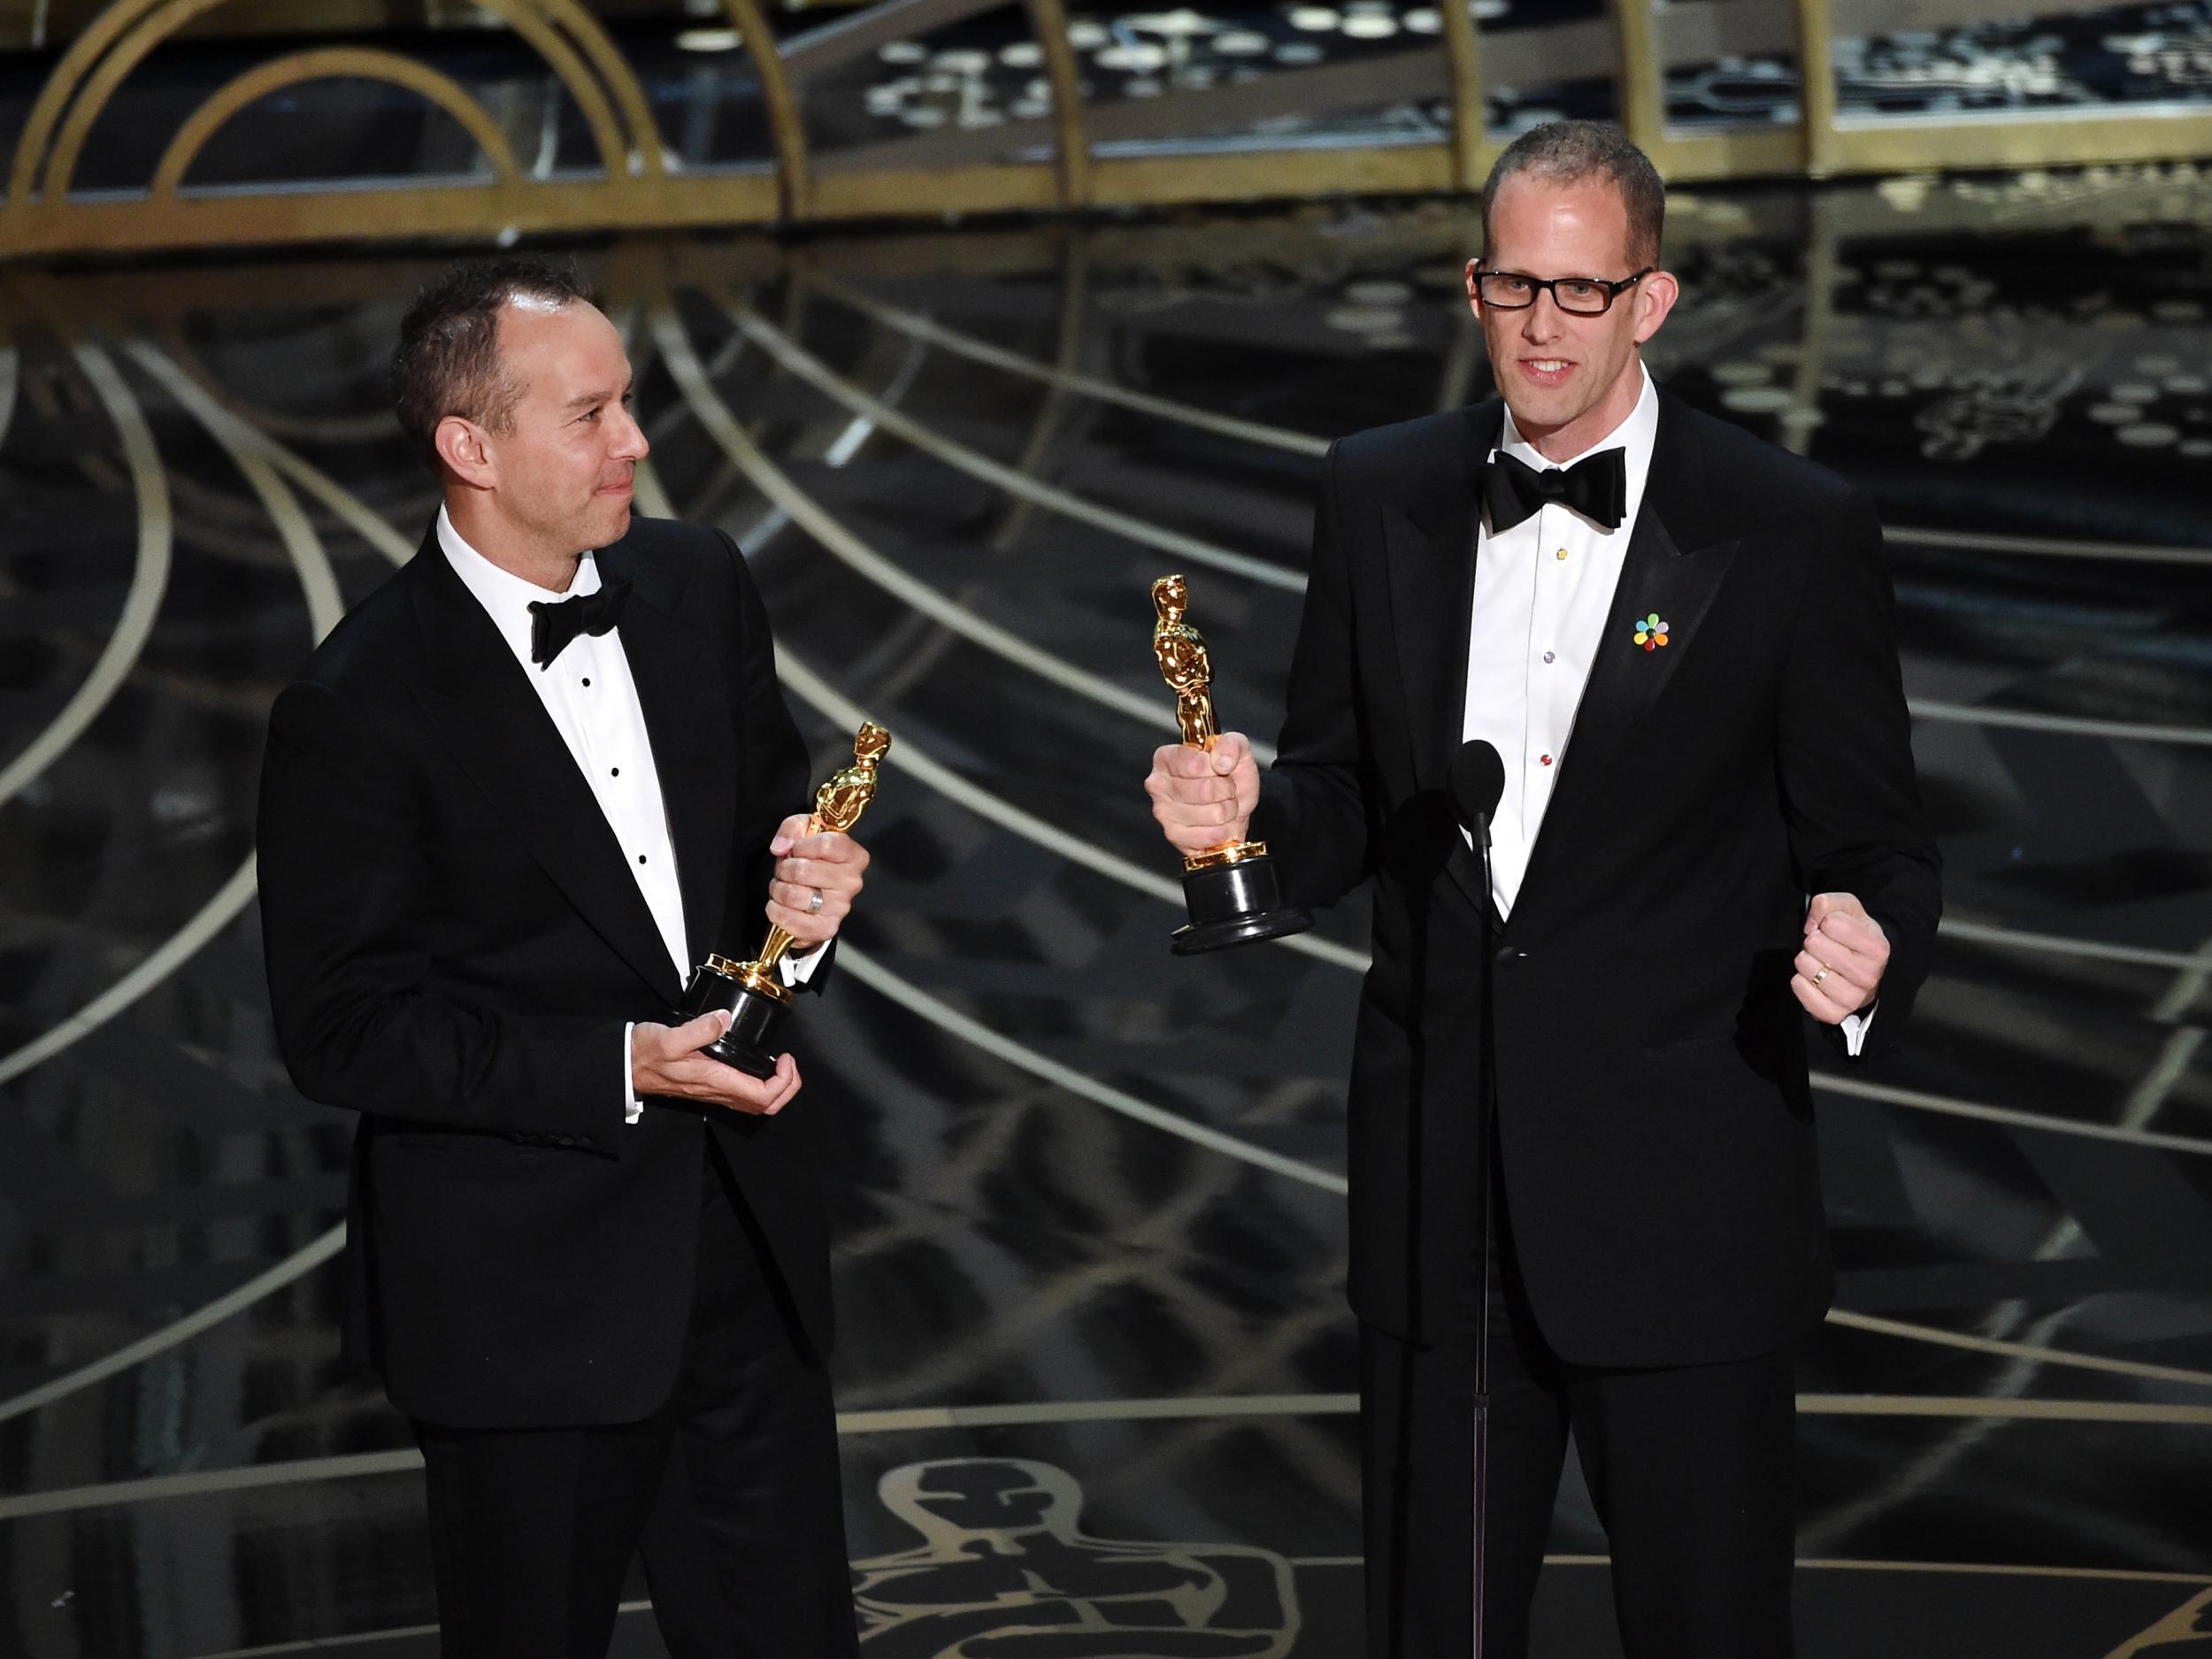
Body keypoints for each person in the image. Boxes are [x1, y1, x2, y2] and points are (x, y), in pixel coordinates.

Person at [1144, 121, 1940, 1659]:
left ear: (1653, 301)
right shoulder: (1378, 491)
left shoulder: (1788, 525)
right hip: (1445, 1208)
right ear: (1474, 288)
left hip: (1687, 1214)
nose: (1544, 329)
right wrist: (1242, 817)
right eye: (1516, 289)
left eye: (1583, 294)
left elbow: (1878, 845)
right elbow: (1344, 796)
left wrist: (1871, 945)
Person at [257, 259, 865, 1657]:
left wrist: (810, 911)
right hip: (524, 1307)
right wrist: (622, 1069)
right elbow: (341, 1027)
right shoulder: (353, 705)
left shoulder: (699, 581)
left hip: (741, 1258)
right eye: (590, 415)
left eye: (630, 404)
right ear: (469, 448)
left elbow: (762, 857)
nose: (636, 441)